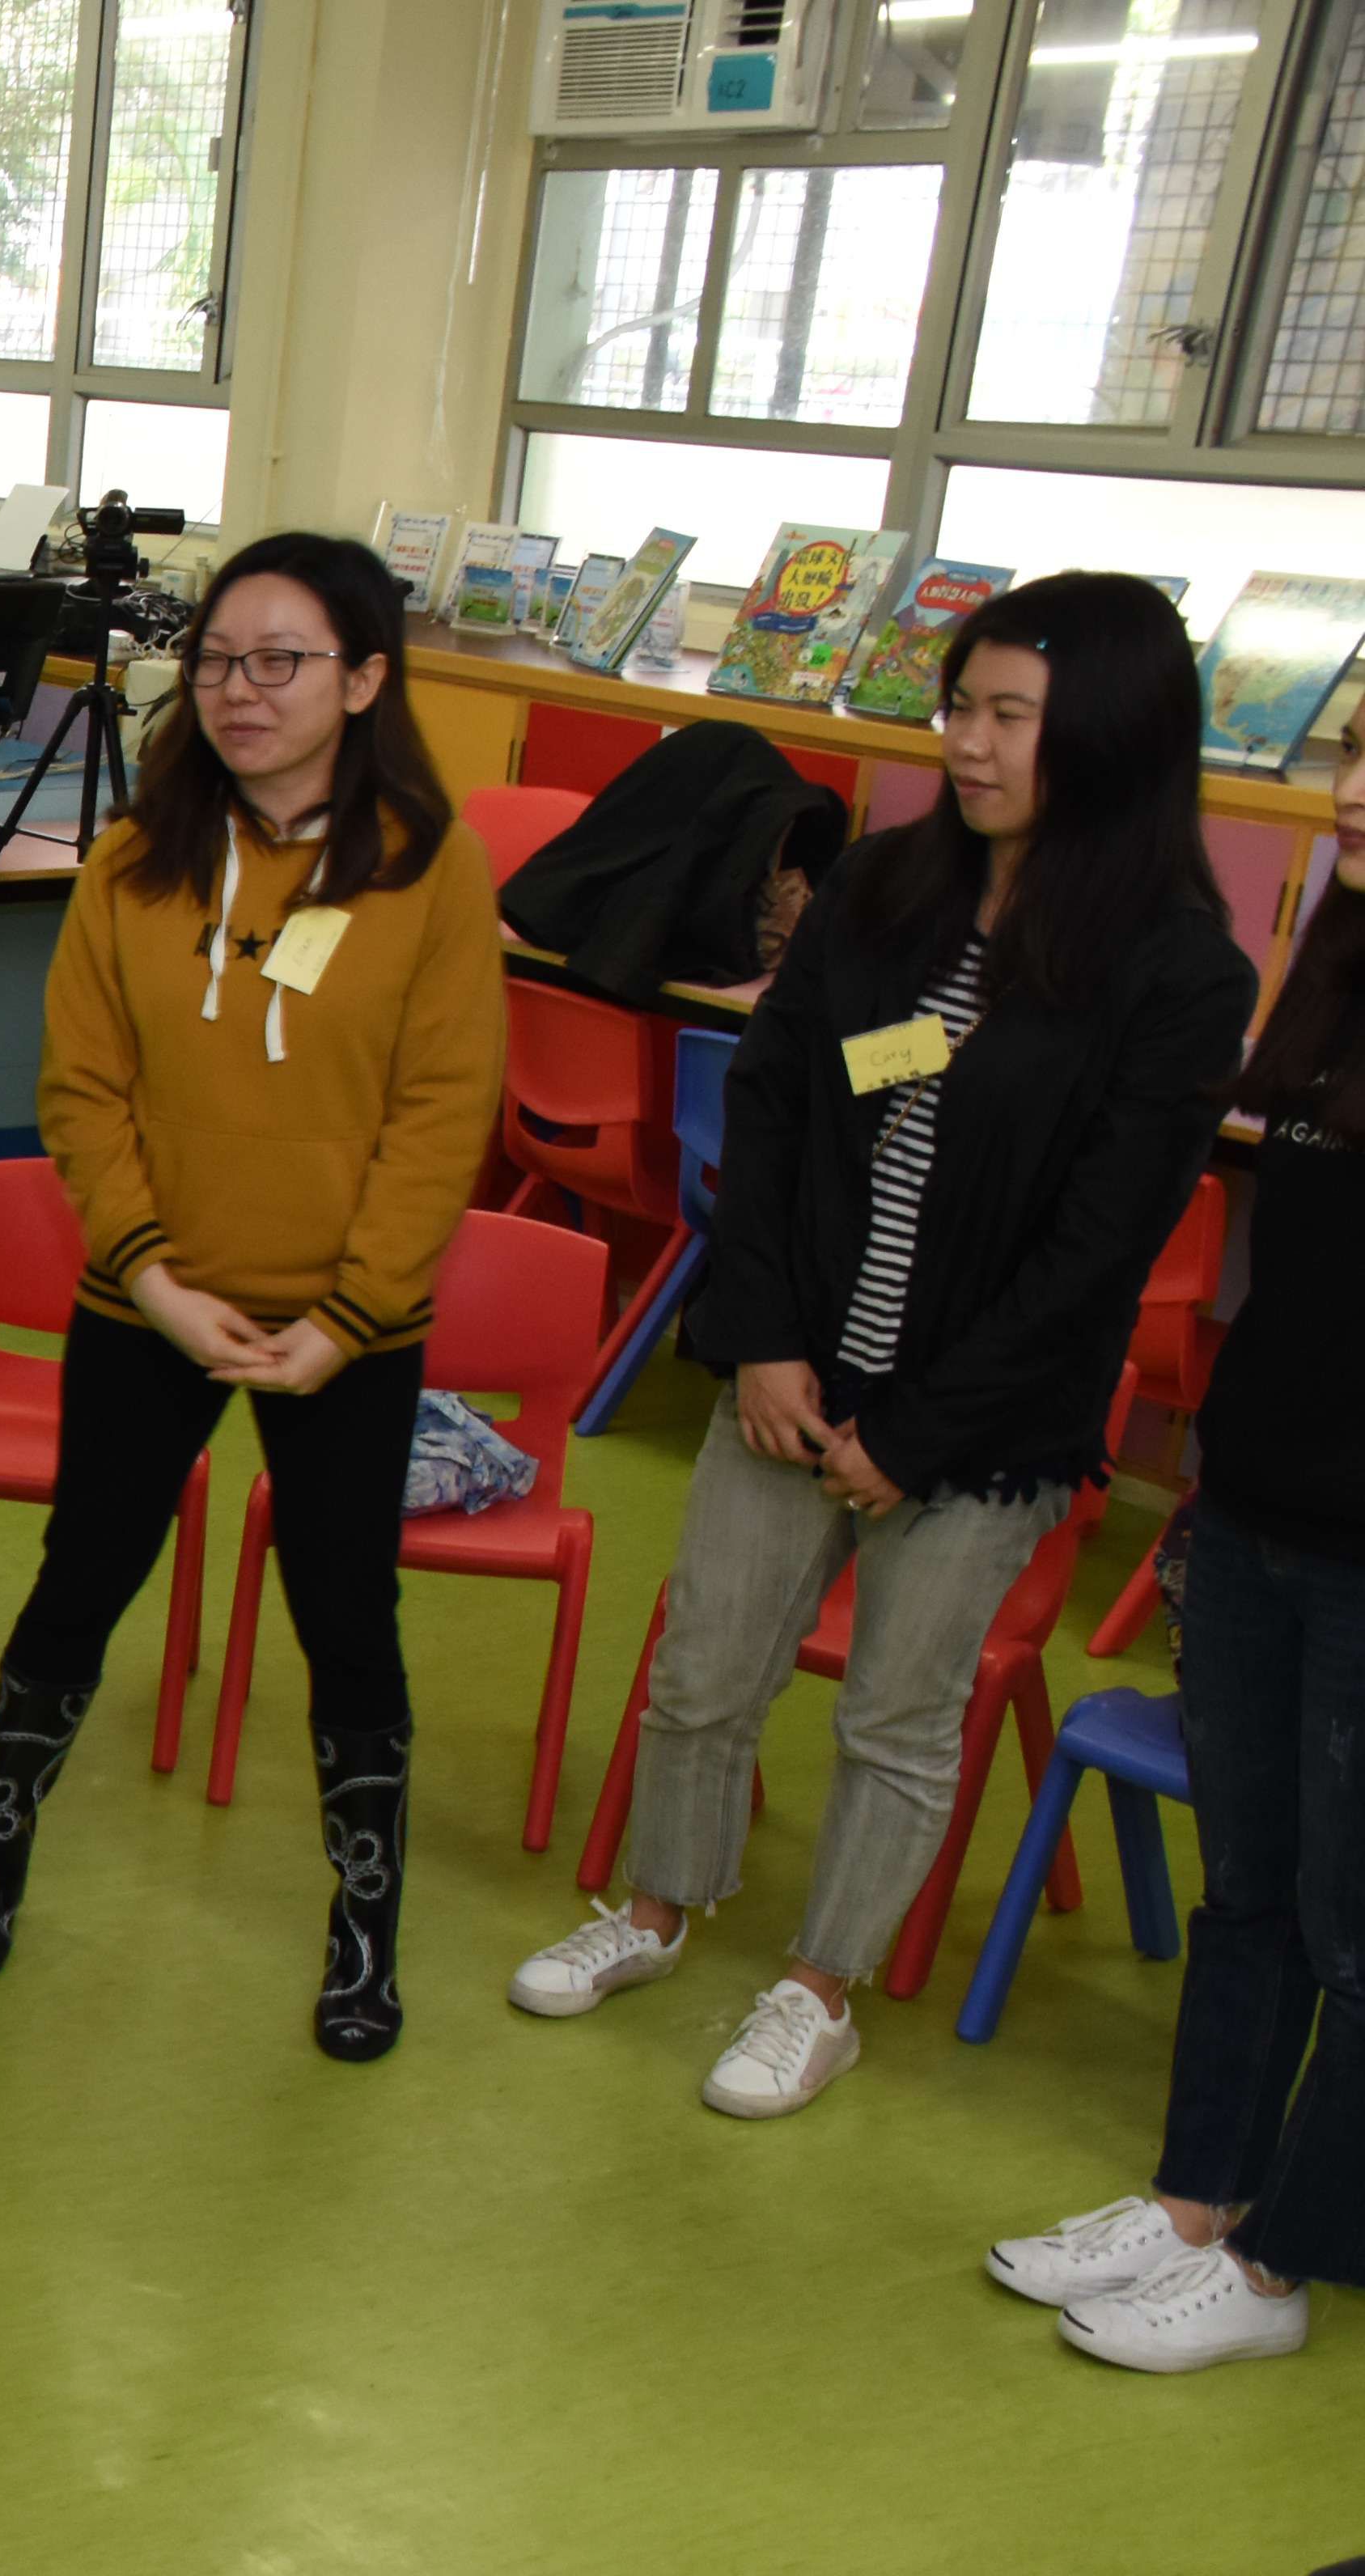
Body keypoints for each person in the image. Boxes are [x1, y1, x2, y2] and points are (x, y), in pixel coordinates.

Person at [511, 572, 1251, 2116]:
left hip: (978, 1429)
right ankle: (656, 1908)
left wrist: (915, 1435)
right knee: (705, 1668)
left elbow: (1096, 1252)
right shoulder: (887, 887)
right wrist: (767, 1343)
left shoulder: (1176, 971)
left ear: (1111, 738)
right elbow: (780, 1097)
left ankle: (819, 1989)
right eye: (961, 707)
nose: (967, 743)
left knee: (896, 1720)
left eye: (1009, 717)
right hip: (797, 1374)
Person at [0, 529, 505, 2062]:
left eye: (281, 662)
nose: (240, 691)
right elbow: (83, 1091)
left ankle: (363, 1938)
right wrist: (154, 1279)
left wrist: (349, 1317)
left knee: (348, 1619)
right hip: (151, 1312)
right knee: (80, 1581)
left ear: (364, 680)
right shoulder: (135, 860)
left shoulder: (430, 870)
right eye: (220, 660)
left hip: (348, 1334)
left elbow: (442, 1111)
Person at [980, 738, 1365, 2361]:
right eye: (1358, 754)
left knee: (1351, 1922)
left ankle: (1283, 2265)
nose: (1351, 791)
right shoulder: (1336, 973)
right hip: (1262, 1499)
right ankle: (1199, 2194)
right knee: (1250, 1890)